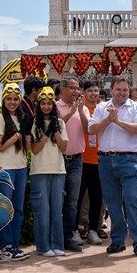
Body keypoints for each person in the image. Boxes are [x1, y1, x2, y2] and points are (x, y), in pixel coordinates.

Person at [89, 77, 137, 257]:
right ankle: (117, 240)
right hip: (106, 161)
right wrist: (108, 119)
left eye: (125, 90)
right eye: (118, 89)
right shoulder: (102, 107)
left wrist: (117, 122)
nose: (122, 93)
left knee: (133, 200)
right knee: (113, 203)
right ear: (111, 89)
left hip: (129, 160)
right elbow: (92, 129)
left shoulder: (136, 107)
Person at [0, 83, 30, 260]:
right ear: (4, 100)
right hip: (4, 168)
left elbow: (26, 148)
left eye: (15, 99)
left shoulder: (23, 118)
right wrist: (15, 137)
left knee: (18, 209)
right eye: (9, 99)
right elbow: (0, 147)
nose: (12, 102)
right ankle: (6, 246)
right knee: (6, 208)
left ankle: (15, 245)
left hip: (21, 167)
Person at [29, 87, 68, 257]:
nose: (46, 107)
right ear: (39, 105)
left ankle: (57, 245)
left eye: (49, 104)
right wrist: (46, 133)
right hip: (39, 171)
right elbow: (35, 150)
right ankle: (43, 247)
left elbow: (64, 147)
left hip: (58, 171)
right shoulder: (33, 123)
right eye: (43, 103)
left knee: (57, 211)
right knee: (42, 212)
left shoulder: (60, 123)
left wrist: (55, 130)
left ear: (53, 105)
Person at [56, 77, 89, 252]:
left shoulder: (81, 108)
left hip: (77, 160)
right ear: (63, 89)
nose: (76, 91)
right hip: (59, 160)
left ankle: (68, 237)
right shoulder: (55, 106)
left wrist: (81, 111)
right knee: (58, 200)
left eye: (78, 88)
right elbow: (56, 126)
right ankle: (56, 237)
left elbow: (87, 130)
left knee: (72, 202)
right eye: (73, 88)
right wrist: (72, 111)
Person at [77, 80, 104, 245]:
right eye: (90, 91)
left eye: (96, 90)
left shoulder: (102, 110)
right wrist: (80, 111)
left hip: (100, 160)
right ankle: (76, 230)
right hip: (82, 160)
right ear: (83, 93)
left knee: (97, 198)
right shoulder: (80, 110)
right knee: (78, 198)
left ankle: (94, 229)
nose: (93, 94)